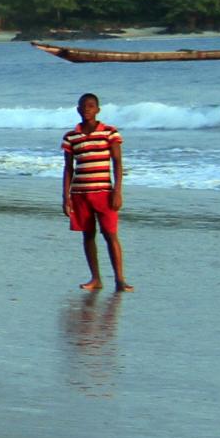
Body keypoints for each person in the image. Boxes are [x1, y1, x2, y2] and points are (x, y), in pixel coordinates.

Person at [62, 93, 128, 293]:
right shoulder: (71, 136)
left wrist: (117, 191)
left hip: (104, 193)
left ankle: (120, 279)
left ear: (98, 109)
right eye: (83, 106)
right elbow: (68, 168)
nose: (87, 109)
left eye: (91, 106)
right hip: (80, 193)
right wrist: (66, 197)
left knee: (110, 234)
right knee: (88, 235)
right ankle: (96, 278)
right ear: (78, 109)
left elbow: (117, 162)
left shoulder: (110, 132)